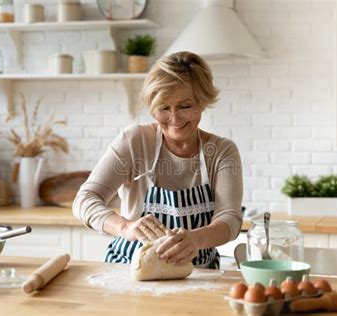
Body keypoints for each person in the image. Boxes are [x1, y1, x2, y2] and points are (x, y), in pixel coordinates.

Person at [73, 51, 243, 269]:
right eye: (164, 107)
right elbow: (85, 199)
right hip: (129, 271)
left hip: (200, 274)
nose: (174, 118)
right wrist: (125, 228)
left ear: (202, 102)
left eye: (185, 106)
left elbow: (230, 219)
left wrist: (195, 240)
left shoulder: (221, 151)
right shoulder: (135, 141)